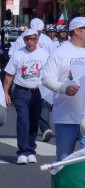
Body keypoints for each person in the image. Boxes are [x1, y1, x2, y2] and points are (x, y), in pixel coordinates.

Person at [42, 17, 85, 161]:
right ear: (76, 31)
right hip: (66, 115)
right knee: (64, 158)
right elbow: (46, 78)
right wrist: (64, 88)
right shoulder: (60, 52)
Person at [3, 29, 49, 164]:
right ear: (24, 40)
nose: (30, 42)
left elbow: (49, 74)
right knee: (23, 120)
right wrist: (5, 93)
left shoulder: (44, 54)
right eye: (27, 39)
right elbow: (9, 75)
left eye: (32, 39)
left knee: (34, 122)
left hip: (38, 92)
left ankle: (31, 150)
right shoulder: (18, 54)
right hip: (21, 92)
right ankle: (22, 152)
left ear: (37, 40)